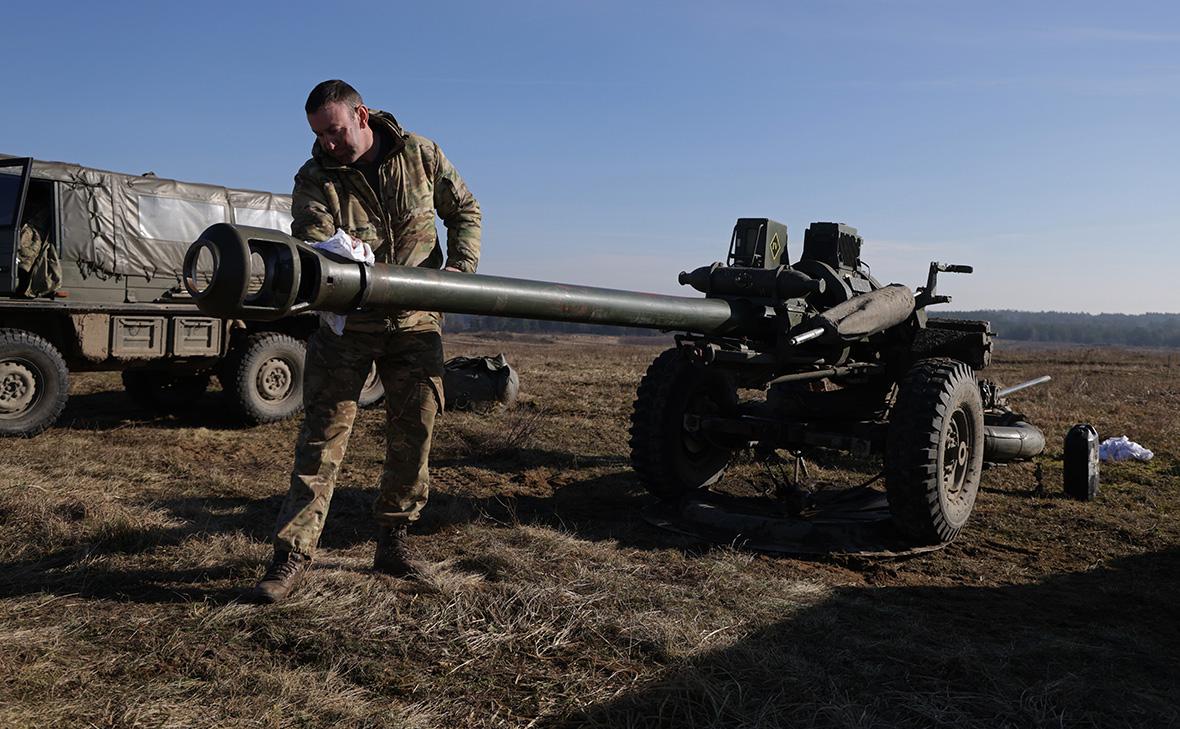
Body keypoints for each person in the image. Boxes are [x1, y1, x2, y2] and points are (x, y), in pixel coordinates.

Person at [250, 80, 481, 603]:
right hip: (347, 326)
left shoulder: (420, 155)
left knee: (414, 434)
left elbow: (464, 210)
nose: (327, 143)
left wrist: (460, 272)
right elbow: (312, 236)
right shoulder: (314, 177)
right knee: (321, 440)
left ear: (362, 115)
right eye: (319, 134)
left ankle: (394, 541)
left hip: (417, 321)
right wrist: (332, 251)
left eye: (334, 131)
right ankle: (291, 556)